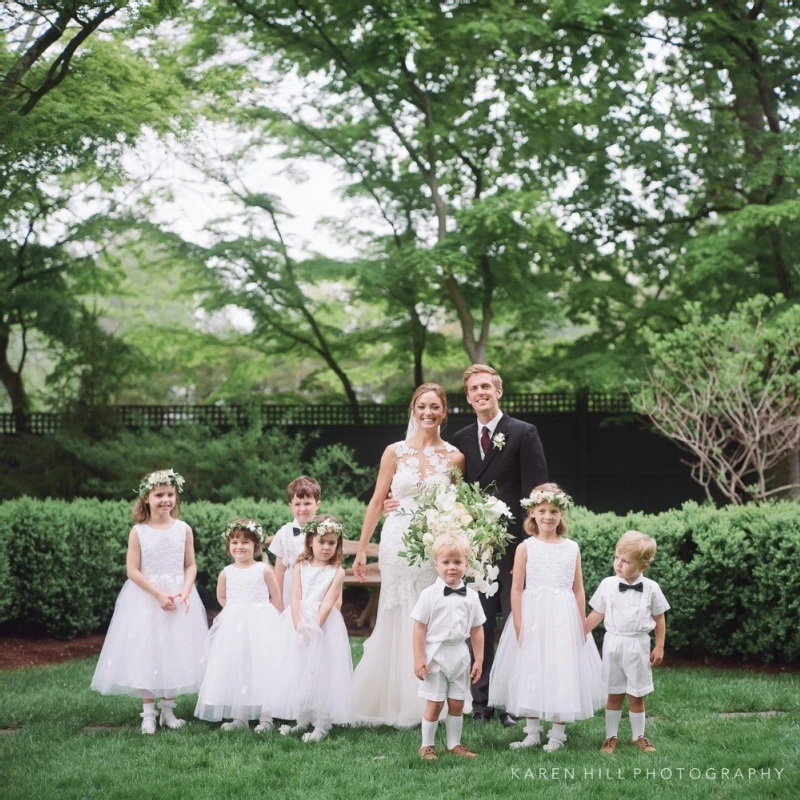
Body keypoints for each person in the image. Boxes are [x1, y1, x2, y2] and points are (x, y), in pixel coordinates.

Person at [352, 383, 465, 727]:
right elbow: (376, 500)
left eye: (434, 407)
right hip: (398, 541)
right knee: (398, 607)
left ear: (444, 412)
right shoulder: (394, 452)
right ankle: (391, 698)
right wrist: (360, 550)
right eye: (421, 407)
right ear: (413, 411)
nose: (428, 413)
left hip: (434, 543)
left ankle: (432, 698)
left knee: (430, 610)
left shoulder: (455, 456)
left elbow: (459, 505)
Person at [450, 364, 548, 725]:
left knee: (513, 620)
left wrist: (531, 545)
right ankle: (481, 702)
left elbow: (535, 494)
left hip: (514, 548)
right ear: (469, 396)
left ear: (498, 391)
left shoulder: (523, 433)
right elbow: (451, 492)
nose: (481, 392)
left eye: (487, 386)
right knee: (479, 622)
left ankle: (512, 702)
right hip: (474, 550)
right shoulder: (459, 439)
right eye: (474, 388)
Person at [91, 469, 208, 734]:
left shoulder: (183, 529)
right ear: (146, 498)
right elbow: (132, 570)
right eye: (159, 495)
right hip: (147, 597)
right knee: (148, 651)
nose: (165, 500)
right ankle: (148, 713)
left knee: (175, 650)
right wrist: (157, 594)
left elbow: (190, 565)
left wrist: (185, 590)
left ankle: (168, 711)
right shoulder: (139, 531)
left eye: (170, 494)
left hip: (178, 596)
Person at [489, 483, 604, 751]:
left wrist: (581, 622)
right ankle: (532, 731)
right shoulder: (526, 548)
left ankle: (557, 733)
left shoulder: (571, 548)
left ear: (562, 513)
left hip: (563, 615)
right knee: (532, 667)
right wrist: (518, 621)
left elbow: (578, 589)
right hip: (534, 613)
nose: (548, 516)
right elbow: (516, 589)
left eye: (554, 511)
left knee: (561, 668)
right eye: (542, 511)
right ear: (532, 513)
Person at [584, 530, 669, 754]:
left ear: (644, 565)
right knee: (614, 692)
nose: (618, 564)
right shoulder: (608, 584)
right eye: (617, 558)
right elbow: (597, 613)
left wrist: (659, 646)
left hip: (638, 645)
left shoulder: (651, 588)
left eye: (626, 561)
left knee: (637, 693)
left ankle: (638, 736)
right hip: (613, 644)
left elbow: (659, 618)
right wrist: (580, 631)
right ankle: (610, 737)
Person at [195, 519, 283, 732]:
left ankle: (266, 717)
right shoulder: (227, 572)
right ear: (229, 547)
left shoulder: (264, 569)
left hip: (261, 623)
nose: (239, 546)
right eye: (234, 542)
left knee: (263, 666)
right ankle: (240, 717)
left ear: (256, 546)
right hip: (234, 626)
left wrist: (259, 612)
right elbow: (222, 596)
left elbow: (276, 597)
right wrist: (236, 610)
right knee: (238, 666)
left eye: (245, 542)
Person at [275, 515, 352, 742]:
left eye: (331, 542)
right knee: (299, 669)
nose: (326, 547)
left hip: (323, 625)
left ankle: (322, 722)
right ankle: (303, 719)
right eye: (321, 542)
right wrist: (299, 624)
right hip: (298, 621)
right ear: (310, 541)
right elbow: (295, 596)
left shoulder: (337, 572)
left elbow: (328, 602)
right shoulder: (300, 566)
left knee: (321, 672)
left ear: (337, 544)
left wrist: (314, 628)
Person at [412, 534, 486, 761]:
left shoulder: (472, 597)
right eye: (446, 562)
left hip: (460, 655)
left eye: (457, 562)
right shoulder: (428, 595)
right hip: (436, 655)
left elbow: (477, 629)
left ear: (466, 564)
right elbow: (419, 628)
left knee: (457, 702)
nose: (452, 568)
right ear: (436, 564)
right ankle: (427, 745)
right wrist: (418, 657)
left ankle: (453, 744)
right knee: (435, 703)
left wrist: (479, 659)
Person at [268, 476, 322, 607]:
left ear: (317, 504)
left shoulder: (324, 529)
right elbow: (279, 569)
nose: (302, 509)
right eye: (297, 504)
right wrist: (278, 601)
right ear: (290, 506)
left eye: (307, 503)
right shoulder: (284, 532)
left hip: (318, 582)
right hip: (291, 584)